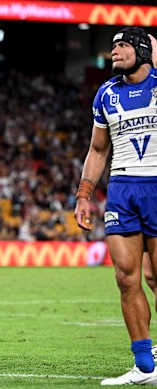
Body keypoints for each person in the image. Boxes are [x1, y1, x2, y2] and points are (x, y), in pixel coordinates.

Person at [74, 27, 157, 386]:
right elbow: (97, 149)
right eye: (113, 47)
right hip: (122, 189)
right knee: (126, 278)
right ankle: (144, 366)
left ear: (142, 50)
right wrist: (83, 194)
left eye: (123, 46)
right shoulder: (105, 94)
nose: (114, 53)